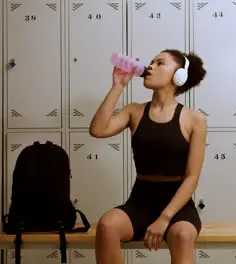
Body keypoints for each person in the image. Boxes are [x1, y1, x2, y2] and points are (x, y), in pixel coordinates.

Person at [89, 49, 207, 264]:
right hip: (141, 201)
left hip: (177, 206)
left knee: (181, 235)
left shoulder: (195, 119)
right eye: (151, 62)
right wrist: (118, 86)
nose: (150, 66)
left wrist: (165, 218)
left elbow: (192, 177)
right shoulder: (134, 111)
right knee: (107, 226)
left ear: (178, 75)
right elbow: (98, 130)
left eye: (160, 63)